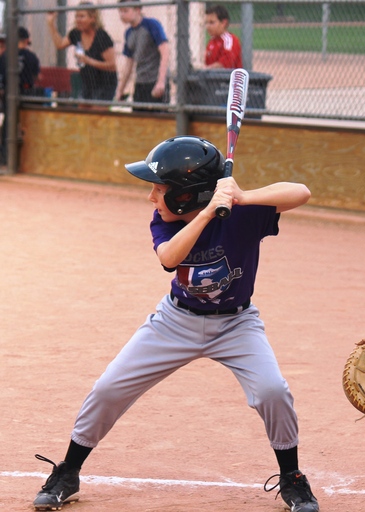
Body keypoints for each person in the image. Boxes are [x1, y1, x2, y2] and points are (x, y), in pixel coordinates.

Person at [31, 136, 320, 512]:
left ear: (186, 195)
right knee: (108, 388)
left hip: (237, 325)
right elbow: (169, 257)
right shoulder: (165, 222)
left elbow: (301, 191)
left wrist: (243, 197)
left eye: (159, 190)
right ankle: (68, 471)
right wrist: (205, 213)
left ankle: (292, 478)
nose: (151, 198)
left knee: (272, 392)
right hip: (175, 321)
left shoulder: (244, 215)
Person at [46, 2, 118, 105]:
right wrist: (51, 23)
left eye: (82, 16)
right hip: (87, 81)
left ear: (92, 18)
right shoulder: (76, 33)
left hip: (105, 84)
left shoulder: (102, 37)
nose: (78, 20)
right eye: (76, 16)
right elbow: (60, 44)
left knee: (97, 116)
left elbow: (112, 66)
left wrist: (89, 61)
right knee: (83, 113)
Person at [115, 0, 170, 106]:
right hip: (140, 82)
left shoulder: (151, 25)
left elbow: (165, 51)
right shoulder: (128, 33)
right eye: (120, 11)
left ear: (137, 10)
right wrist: (120, 90)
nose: (122, 15)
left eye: (125, 11)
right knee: (138, 118)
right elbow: (129, 64)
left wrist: (161, 81)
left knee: (158, 118)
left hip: (155, 80)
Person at [0, 27, 40, 164]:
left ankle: (6, 156)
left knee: (9, 124)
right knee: (25, 122)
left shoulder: (6, 55)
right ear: (27, 40)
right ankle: (26, 157)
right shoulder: (32, 56)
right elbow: (36, 76)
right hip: (26, 91)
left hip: (9, 92)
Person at [204, 4, 243, 69]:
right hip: (213, 77)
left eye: (212, 22)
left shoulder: (229, 40)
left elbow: (224, 65)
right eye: (206, 23)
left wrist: (206, 70)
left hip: (228, 78)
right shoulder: (212, 41)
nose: (208, 26)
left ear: (223, 23)